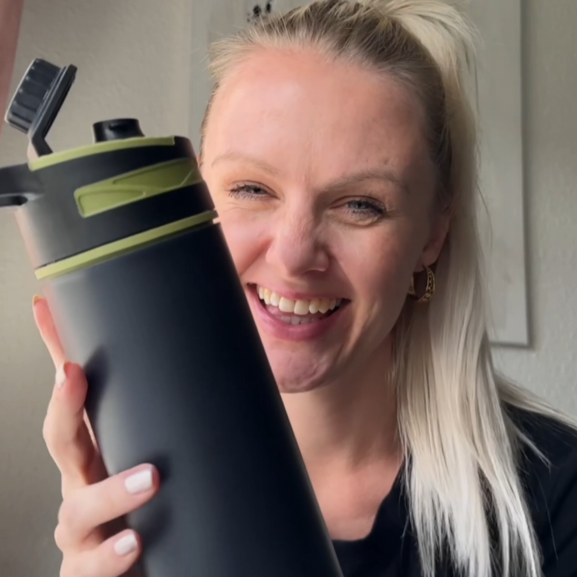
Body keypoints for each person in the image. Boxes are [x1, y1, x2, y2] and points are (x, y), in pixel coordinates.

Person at [1, 1, 577, 576]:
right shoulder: (138, 492)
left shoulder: (558, 502)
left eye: (361, 205)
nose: (295, 254)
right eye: (252, 189)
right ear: (195, 195)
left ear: (433, 235)